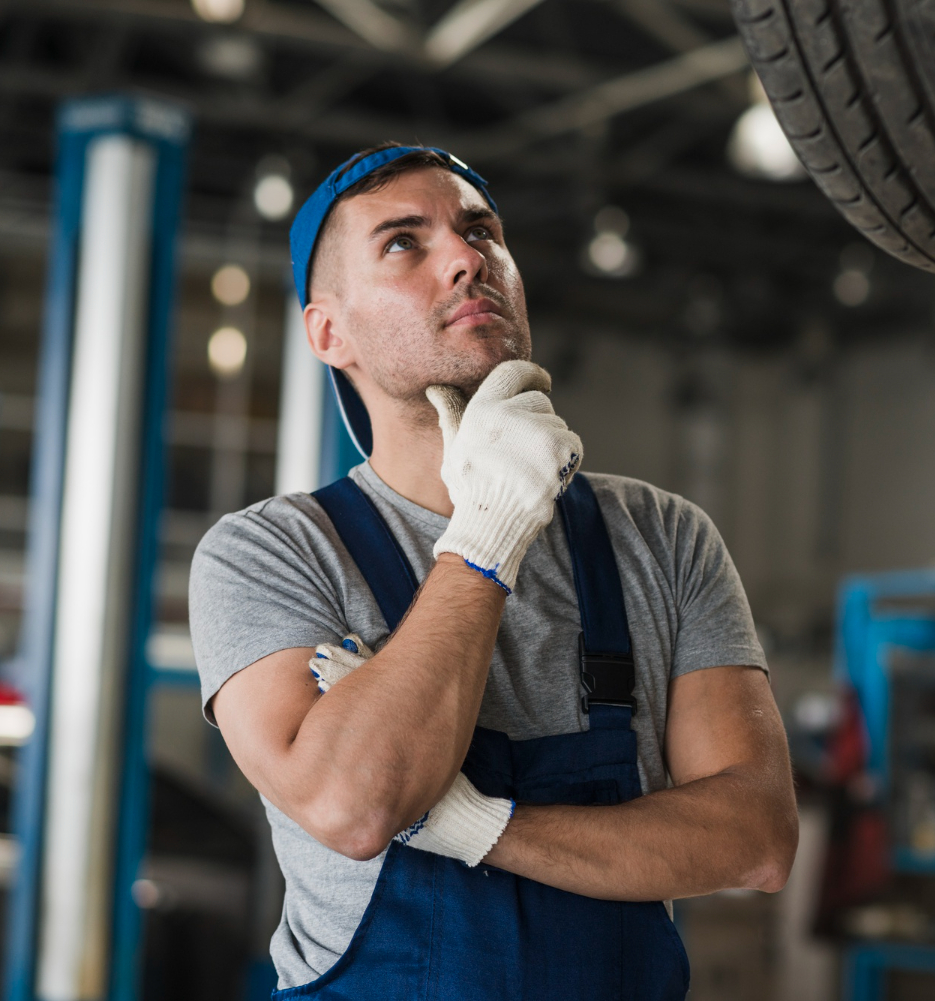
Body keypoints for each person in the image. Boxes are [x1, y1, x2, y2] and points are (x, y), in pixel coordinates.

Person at [188, 143, 798, 998]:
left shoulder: (662, 537)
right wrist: (490, 531)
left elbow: (757, 838)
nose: (467, 257)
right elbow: (355, 806)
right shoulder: (268, 553)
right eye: (404, 242)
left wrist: (479, 826)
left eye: (481, 231)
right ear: (330, 331)